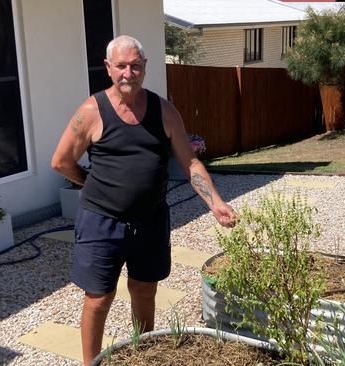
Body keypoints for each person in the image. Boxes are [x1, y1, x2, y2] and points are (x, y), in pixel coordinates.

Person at [51, 35, 237, 365]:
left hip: (150, 220)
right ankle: (89, 363)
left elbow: (190, 162)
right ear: (108, 68)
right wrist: (90, 184)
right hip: (101, 220)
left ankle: (143, 354)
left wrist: (215, 202)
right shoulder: (91, 111)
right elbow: (61, 161)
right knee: (98, 297)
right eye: (121, 66)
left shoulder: (163, 110)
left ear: (145, 68)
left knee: (144, 288)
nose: (128, 73)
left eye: (135, 66)